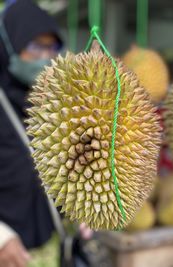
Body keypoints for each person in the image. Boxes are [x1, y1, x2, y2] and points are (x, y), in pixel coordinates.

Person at [0, 1, 63, 266]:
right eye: (35, 46)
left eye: (52, 47)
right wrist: (1, 237)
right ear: (9, 45)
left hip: (50, 245)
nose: (45, 57)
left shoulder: (55, 103)